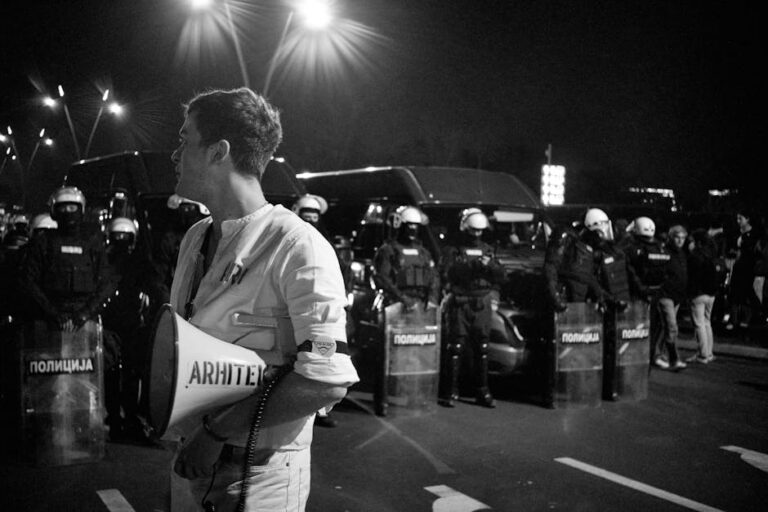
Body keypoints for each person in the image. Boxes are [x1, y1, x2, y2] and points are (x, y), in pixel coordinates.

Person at [166, 87, 358, 512]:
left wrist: (214, 434)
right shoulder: (196, 237)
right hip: (190, 460)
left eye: (184, 140)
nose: (175, 154)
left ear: (219, 152)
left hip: (257, 477)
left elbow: (327, 378)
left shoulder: (299, 246)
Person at [18, 186, 113, 333]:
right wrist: (53, 314)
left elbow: (105, 283)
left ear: (80, 210)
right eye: (63, 208)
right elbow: (29, 281)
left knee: (109, 350)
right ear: (54, 212)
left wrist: (85, 314)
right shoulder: (43, 243)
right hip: (48, 319)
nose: (68, 213)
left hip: (86, 319)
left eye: (72, 207)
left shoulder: (92, 243)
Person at [440, 208, 505, 408]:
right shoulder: (453, 249)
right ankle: (450, 392)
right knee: (455, 348)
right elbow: (447, 273)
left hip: (482, 302)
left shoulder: (488, 249)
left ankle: (482, 391)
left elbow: (501, 275)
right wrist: (473, 266)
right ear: (465, 228)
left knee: (483, 348)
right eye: (473, 230)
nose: (477, 234)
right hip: (461, 302)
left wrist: (491, 266)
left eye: (480, 231)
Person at [101, 217, 156, 442]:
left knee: (124, 375)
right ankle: (121, 419)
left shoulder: (131, 261)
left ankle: (123, 419)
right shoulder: (106, 259)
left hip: (128, 324)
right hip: (119, 324)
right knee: (118, 374)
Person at [292, 193, 339, 428]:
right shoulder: (288, 240)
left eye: (314, 218)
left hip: (321, 312)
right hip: (295, 309)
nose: (310, 222)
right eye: (306, 217)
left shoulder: (324, 242)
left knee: (324, 356)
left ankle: (320, 409)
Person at [620, 216, 672, 369]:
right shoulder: (661, 247)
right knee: (653, 328)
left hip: (637, 294)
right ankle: (650, 355)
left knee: (633, 327)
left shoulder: (632, 248)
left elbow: (628, 271)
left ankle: (633, 355)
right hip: (656, 293)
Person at [372, 205, 440, 311]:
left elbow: (434, 277)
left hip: (421, 304)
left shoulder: (423, 252)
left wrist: (432, 299)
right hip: (395, 305)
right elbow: (383, 278)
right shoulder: (388, 250)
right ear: (401, 225)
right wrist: (403, 299)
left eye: (415, 225)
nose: (412, 229)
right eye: (409, 225)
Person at [654, 225, 689, 371]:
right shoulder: (665, 252)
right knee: (671, 327)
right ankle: (672, 358)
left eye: (683, 238)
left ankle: (658, 355)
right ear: (671, 237)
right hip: (666, 294)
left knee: (665, 327)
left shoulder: (681, 253)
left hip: (676, 296)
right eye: (677, 238)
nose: (680, 241)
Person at [686, 229, 719, 363]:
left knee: (699, 324)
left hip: (698, 293)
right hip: (711, 294)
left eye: (692, 241)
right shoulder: (710, 254)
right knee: (706, 323)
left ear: (697, 242)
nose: (690, 244)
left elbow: (692, 277)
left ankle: (703, 354)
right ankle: (708, 352)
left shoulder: (695, 256)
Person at [727, 209, 763, 331]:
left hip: (748, 267)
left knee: (746, 292)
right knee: (734, 293)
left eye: (740, 218)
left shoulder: (754, 235)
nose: (738, 221)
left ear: (747, 219)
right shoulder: (737, 233)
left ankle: (747, 318)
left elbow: (754, 251)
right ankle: (734, 319)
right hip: (737, 266)